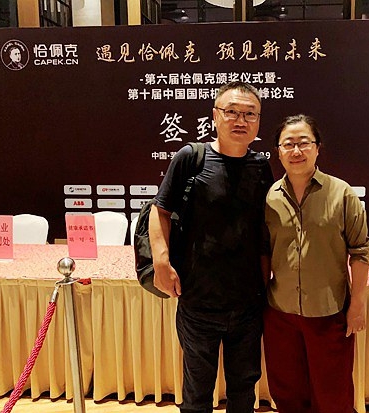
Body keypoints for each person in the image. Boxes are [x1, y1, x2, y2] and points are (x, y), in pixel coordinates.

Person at [149, 81, 274, 413]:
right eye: (231, 111)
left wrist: (264, 286)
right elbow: (160, 210)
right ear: (215, 116)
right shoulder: (191, 158)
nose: (240, 120)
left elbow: (263, 232)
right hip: (198, 301)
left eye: (250, 114)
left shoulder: (261, 167)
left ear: (258, 122)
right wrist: (161, 261)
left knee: (244, 390)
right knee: (197, 393)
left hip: (247, 304)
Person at [263, 114, 369, 413]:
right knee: (287, 394)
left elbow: (360, 252)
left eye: (304, 143)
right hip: (280, 313)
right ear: (278, 151)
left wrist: (357, 305)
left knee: (333, 397)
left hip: (328, 312)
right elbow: (263, 252)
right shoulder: (269, 198)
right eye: (288, 144)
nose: (296, 151)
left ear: (317, 147)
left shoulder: (342, 193)